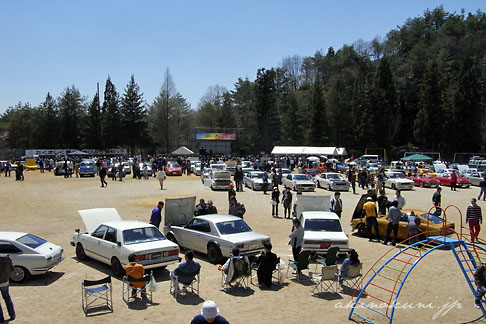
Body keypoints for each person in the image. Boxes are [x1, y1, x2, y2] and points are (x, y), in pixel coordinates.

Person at [0, 255, 15, 322]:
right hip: (5, 281)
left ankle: (1, 319)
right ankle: (12, 315)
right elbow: (12, 268)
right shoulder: (6, 258)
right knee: (7, 298)